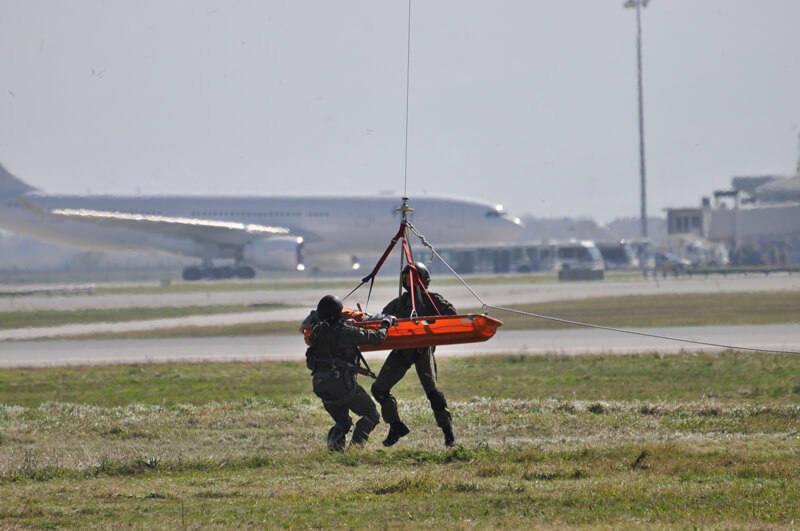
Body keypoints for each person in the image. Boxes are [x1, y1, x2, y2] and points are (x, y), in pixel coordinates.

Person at [371, 262, 458, 448]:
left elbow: (451, 315)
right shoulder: (399, 302)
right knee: (379, 389)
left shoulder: (432, 299)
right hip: (402, 351)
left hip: (423, 349)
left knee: (432, 393)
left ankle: (448, 432)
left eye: (413, 278)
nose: (410, 281)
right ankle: (396, 426)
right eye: (406, 278)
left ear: (423, 279)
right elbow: (381, 319)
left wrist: (430, 322)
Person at [305, 294, 393, 451]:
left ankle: (334, 453)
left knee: (343, 423)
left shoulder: (316, 331)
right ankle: (355, 449)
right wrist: (386, 323)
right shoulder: (345, 332)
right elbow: (377, 338)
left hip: (320, 385)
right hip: (341, 385)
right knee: (371, 414)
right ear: (339, 312)